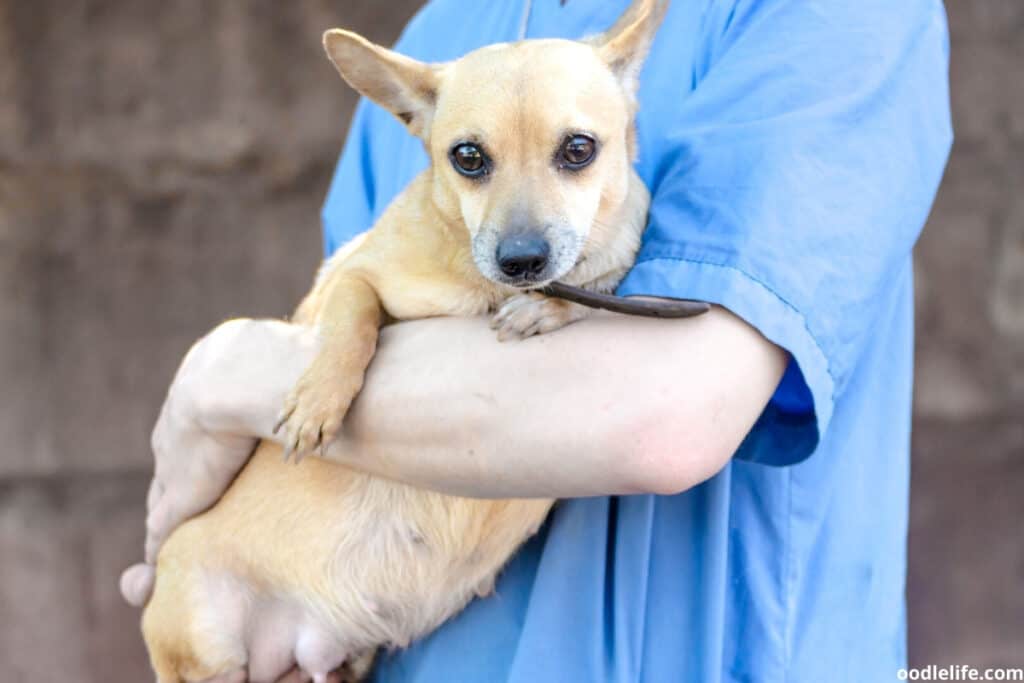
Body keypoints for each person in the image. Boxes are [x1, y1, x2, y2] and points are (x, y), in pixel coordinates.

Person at [122, 0, 953, 680]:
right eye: (474, 162)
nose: (524, 235)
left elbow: (665, 413)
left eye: (576, 153)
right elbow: (353, 311)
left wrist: (228, 377)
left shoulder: (827, 15)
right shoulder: (435, 43)